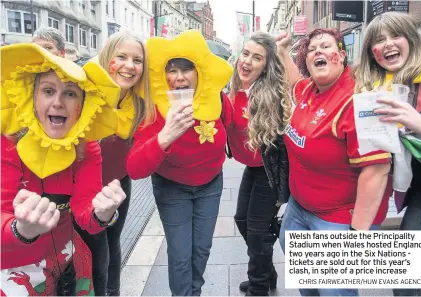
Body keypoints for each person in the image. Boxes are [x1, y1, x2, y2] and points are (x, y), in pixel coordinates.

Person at [1, 43, 125, 296]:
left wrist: (104, 213)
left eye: (70, 93)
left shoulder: (87, 148)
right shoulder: (7, 144)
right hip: (15, 271)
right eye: (48, 91)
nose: (58, 102)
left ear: (83, 106)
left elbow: (85, 215)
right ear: (32, 99)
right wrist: (20, 229)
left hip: (70, 262)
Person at [276, 29, 393, 296]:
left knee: (333, 291)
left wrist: (356, 236)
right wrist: (283, 49)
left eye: (325, 46)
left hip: (338, 219)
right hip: (299, 209)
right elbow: (293, 79)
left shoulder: (362, 101)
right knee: (308, 284)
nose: (317, 51)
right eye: (312, 50)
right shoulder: (308, 90)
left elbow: (376, 171)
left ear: (341, 56)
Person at [126, 30, 233, 296]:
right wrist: (165, 136)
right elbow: (135, 169)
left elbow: (234, 130)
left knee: (202, 248)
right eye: (172, 70)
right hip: (172, 188)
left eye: (187, 69)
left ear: (199, 74)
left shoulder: (218, 99)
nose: (180, 77)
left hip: (210, 185)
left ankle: (192, 291)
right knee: (180, 254)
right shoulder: (154, 108)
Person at [72, 30, 155, 296]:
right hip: (85, 186)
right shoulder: (85, 92)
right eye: (122, 57)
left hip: (119, 183)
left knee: (112, 242)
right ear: (108, 57)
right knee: (97, 252)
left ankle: (114, 292)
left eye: (137, 60)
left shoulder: (141, 102)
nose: (130, 66)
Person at [354, 12, 421, 296]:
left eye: (395, 36)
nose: (387, 45)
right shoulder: (377, 87)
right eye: (378, 40)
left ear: (411, 38)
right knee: (405, 276)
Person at [227, 32, 291, 296]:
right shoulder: (232, 88)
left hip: (269, 172)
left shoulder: (270, 95)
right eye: (246, 54)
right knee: (242, 220)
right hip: (251, 168)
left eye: (257, 58)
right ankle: (266, 272)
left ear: (266, 65)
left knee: (255, 229)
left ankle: (258, 286)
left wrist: (282, 188)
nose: (248, 61)